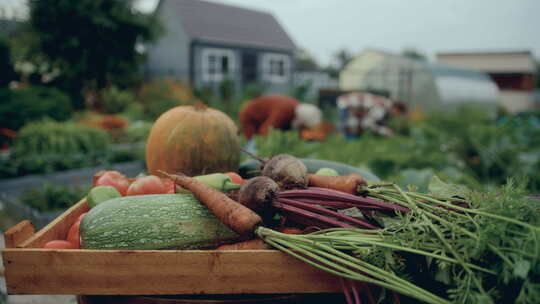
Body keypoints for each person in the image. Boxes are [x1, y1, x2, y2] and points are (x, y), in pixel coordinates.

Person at [239, 95, 323, 140]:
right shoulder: (283, 111)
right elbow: (266, 131)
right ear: (302, 120)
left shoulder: (297, 110)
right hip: (250, 116)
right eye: (304, 126)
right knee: (254, 142)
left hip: (263, 119)